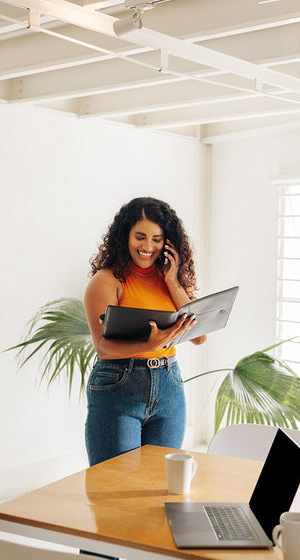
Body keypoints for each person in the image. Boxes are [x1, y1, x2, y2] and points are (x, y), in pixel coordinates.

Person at [84, 197, 207, 467]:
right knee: (114, 483)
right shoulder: (106, 281)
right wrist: (149, 344)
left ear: (169, 242)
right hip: (119, 384)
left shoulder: (170, 279)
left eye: (157, 239)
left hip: (169, 386)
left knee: (162, 481)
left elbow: (199, 336)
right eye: (140, 237)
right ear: (124, 235)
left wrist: (173, 282)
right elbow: (103, 348)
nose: (148, 247)